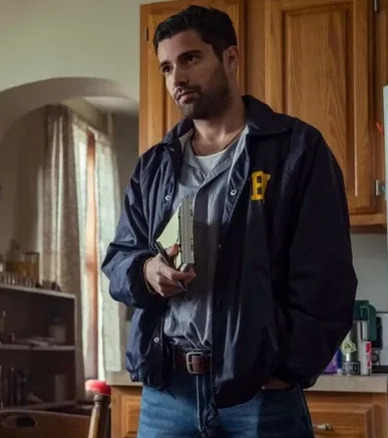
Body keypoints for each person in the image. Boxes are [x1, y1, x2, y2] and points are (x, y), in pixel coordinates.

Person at [101, 5, 357, 437]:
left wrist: (287, 369)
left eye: (190, 59)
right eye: (167, 67)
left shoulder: (297, 149)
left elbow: (326, 276)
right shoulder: (153, 166)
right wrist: (146, 271)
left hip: (260, 395)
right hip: (166, 395)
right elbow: (119, 260)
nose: (177, 78)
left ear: (231, 58)